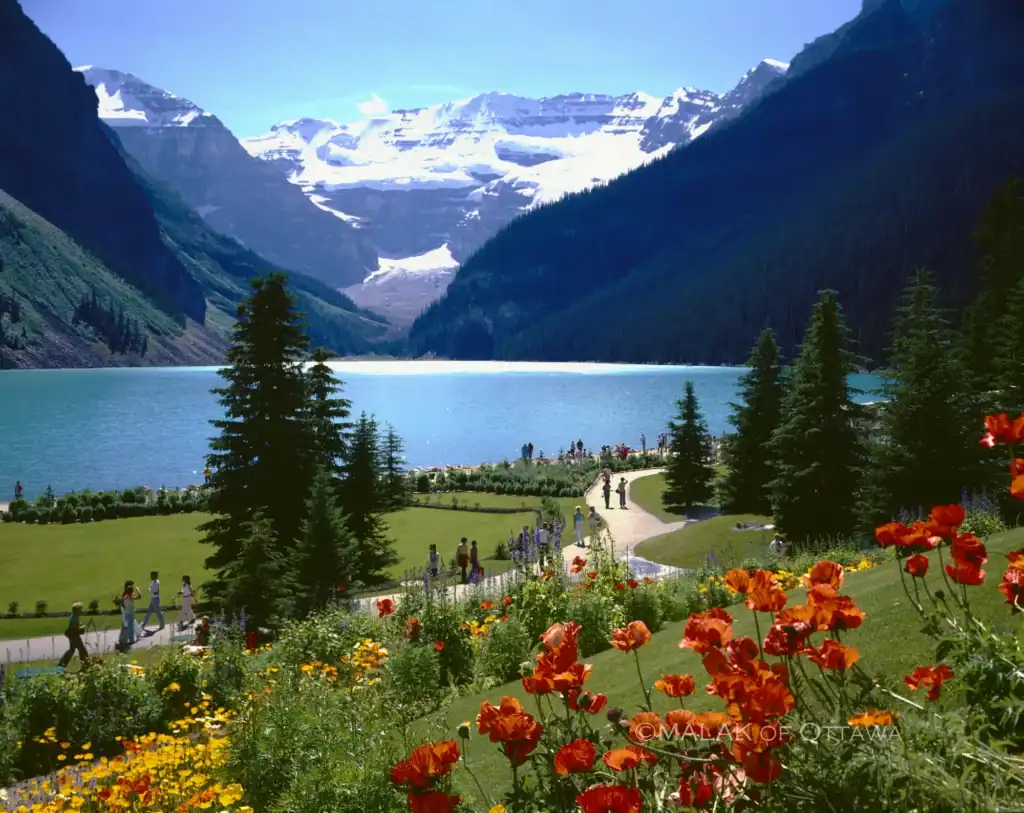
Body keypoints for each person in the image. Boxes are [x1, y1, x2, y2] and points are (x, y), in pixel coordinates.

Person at [58, 602, 88, 668]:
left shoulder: (74, 616)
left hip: (72, 634)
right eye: (80, 609)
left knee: (72, 650)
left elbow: (75, 625)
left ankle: (62, 663)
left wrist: (79, 624)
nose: (81, 611)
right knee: (82, 649)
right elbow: (76, 629)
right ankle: (85, 664)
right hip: (74, 635)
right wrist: (83, 627)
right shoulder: (75, 618)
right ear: (77, 610)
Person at [117, 580, 142, 652]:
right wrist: (138, 590)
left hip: (127, 613)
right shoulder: (131, 597)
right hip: (130, 614)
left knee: (129, 626)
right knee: (130, 627)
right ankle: (131, 639)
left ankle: (127, 638)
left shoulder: (125, 597)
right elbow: (139, 596)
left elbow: (123, 603)